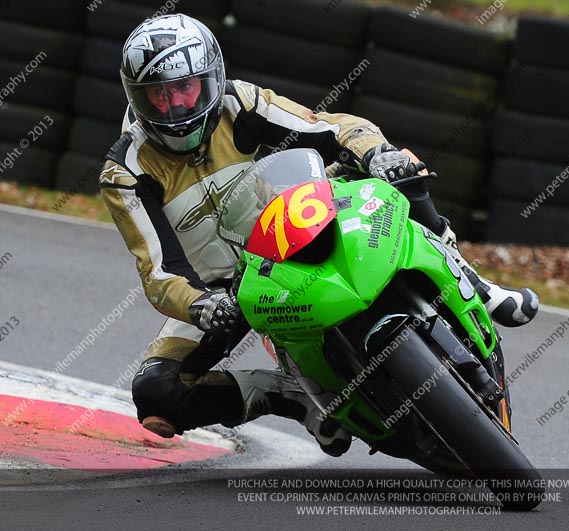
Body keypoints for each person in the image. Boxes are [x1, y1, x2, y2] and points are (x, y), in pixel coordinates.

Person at [101, 14, 538, 456]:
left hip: (289, 228)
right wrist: (203, 306)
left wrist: (377, 154)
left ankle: (479, 288)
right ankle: (291, 397)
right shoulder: (126, 171)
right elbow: (158, 271)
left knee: (403, 166)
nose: (176, 106)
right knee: (157, 391)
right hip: (223, 291)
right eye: (158, 95)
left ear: (210, 79)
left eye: (184, 88)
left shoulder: (240, 104)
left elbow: (331, 127)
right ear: (137, 98)